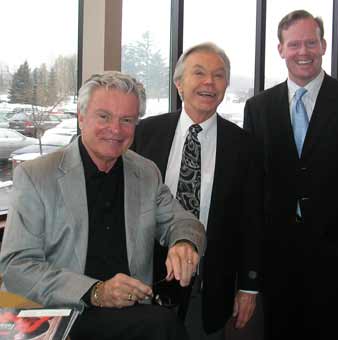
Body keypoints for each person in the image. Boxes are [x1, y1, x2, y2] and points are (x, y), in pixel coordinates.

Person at [0, 71, 206, 340]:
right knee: (162, 326)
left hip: (131, 312)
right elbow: (16, 267)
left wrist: (184, 243)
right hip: (63, 313)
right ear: (81, 116)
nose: (116, 130)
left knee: (162, 324)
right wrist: (95, 291)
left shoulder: (145, 173)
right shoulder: (37, 175)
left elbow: (184, 222)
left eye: (127, 120)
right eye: (104, 116)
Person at [243, 9, 338, 340]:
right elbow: (254, 185)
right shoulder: (258, 108)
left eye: (311, 42)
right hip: (277, 254)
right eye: (294, 44)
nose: (303, 52)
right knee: (280, 331)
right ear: (280, 49)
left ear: (324, 45)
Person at [134, 42, 263, 340]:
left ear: (226, 86)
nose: (209, 82)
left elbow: (252, 221)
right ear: (179, 83)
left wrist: (248, 287)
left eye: (218, 75)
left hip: (208, 283)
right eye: (199, 73)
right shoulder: (144, 135)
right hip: (145, 281)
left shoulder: (245, 147)